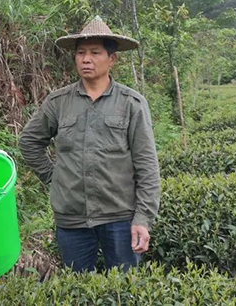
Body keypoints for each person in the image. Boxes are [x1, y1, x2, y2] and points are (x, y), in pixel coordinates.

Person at [18, 16, 160, 273]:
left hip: (119, 215)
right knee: (78, 288)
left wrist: (142, 218)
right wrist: (53, 176)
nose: (86, 59)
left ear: (112, 59)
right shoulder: (58, 102)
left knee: (123, 290)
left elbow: (147, 164)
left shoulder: (131, 103)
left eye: (95, 53)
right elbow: (29, 141)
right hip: (71, 217)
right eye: (81, 53)